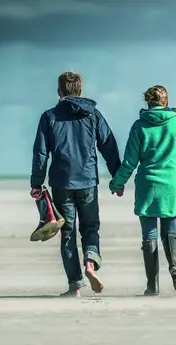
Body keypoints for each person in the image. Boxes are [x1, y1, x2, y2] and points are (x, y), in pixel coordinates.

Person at [30, 71, 122, 297]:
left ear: (59, 91)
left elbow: (41, 153)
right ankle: (90, 264)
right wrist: (117, 177)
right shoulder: (93, 115)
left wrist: (36, 183)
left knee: (68, 232)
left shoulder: (49, 116)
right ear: (80, 91)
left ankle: (75, 285)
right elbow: (108, 145)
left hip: (62, 183)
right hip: (88, 181)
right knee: (90, 227)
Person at [109, 85, 176, 296]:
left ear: (147, 103)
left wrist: (117, 183)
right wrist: (175, 170)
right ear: (166, 102)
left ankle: (152, 286)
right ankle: (174, 264)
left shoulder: (139, 126)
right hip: (171, 185)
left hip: (147, 185)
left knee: (149, 234)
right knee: (171, 231)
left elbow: (129, 162)